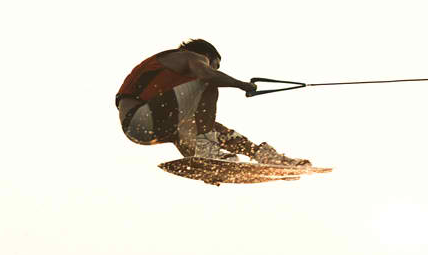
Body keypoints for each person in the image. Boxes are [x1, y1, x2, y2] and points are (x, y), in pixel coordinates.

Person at [116, 39, 308, 165]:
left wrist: (207, 168)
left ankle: (265, 157)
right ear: (207, 56)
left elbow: (186, 129)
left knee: (216, 130)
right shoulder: (190, 56)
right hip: (140, 118)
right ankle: (208, 150)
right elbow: (207, 75)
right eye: (214, 65)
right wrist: (241, 85)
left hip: (143, 128)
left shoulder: (172, 91)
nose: (212, 68)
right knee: (207, 82)